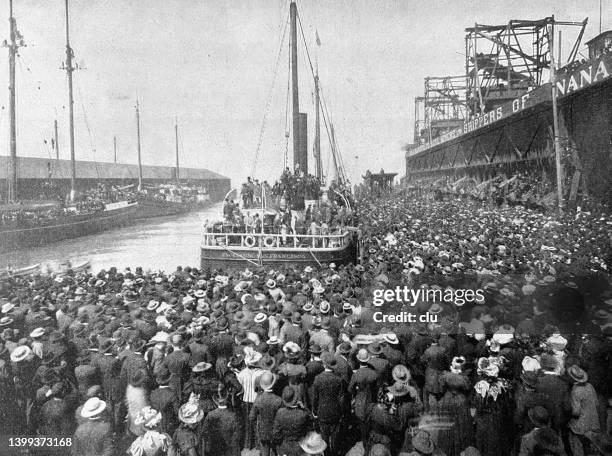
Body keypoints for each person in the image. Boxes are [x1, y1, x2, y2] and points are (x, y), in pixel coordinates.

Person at [250, 370, 283, 456]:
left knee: (265, 452)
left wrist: (258, 426)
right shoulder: (279, 400)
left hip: (263, 431)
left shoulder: (258, 400)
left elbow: (252, 417)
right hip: (276, 431)